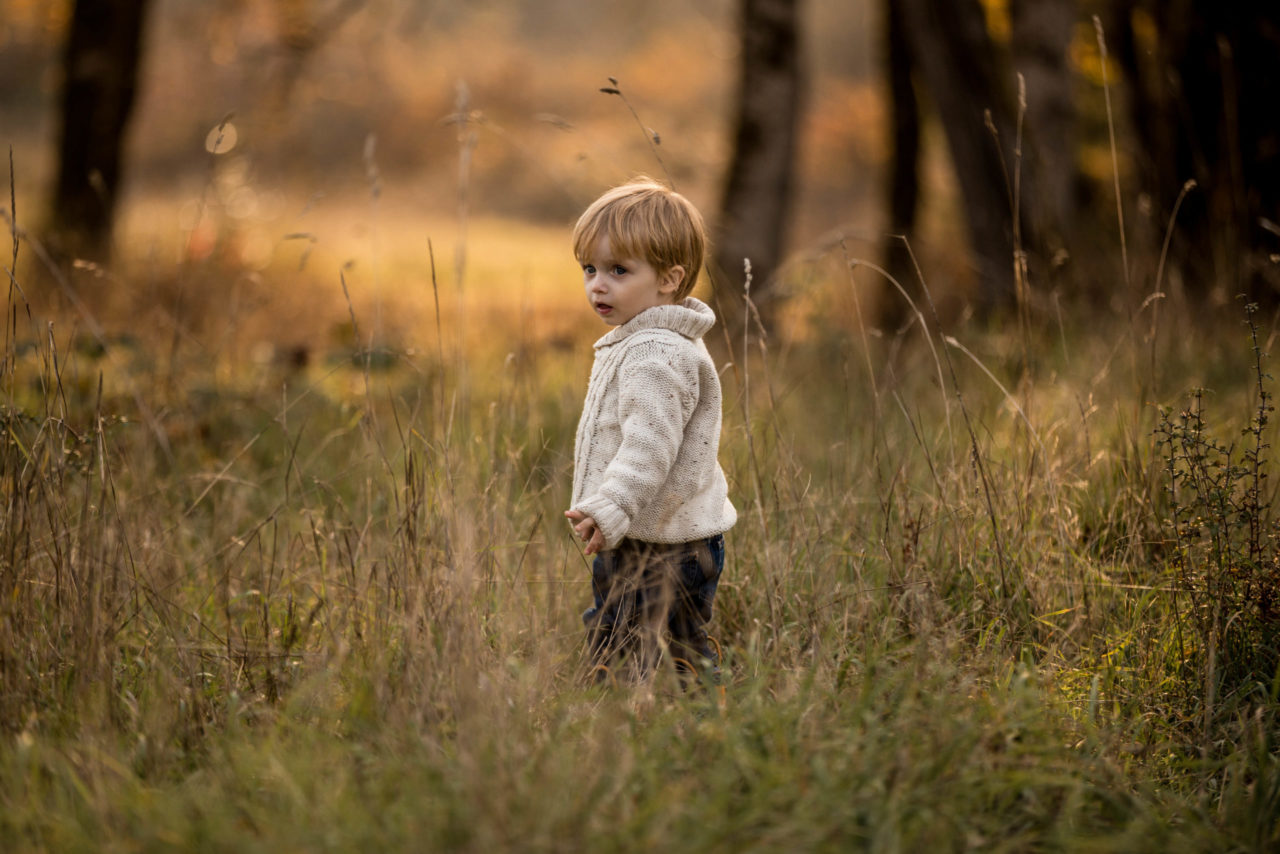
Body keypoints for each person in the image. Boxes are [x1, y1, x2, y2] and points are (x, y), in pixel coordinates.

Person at [563, 177, 737, 684]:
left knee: (615, 638)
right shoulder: (657, 339)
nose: (598, 284)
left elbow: (650, 446)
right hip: (674, 532)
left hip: (657, 542)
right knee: (679, 643)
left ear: (669, 278)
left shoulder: (653, 353)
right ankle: (701, 713)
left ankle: (603, 721)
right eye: (590, 269)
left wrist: (612, 505)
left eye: (619, 270)